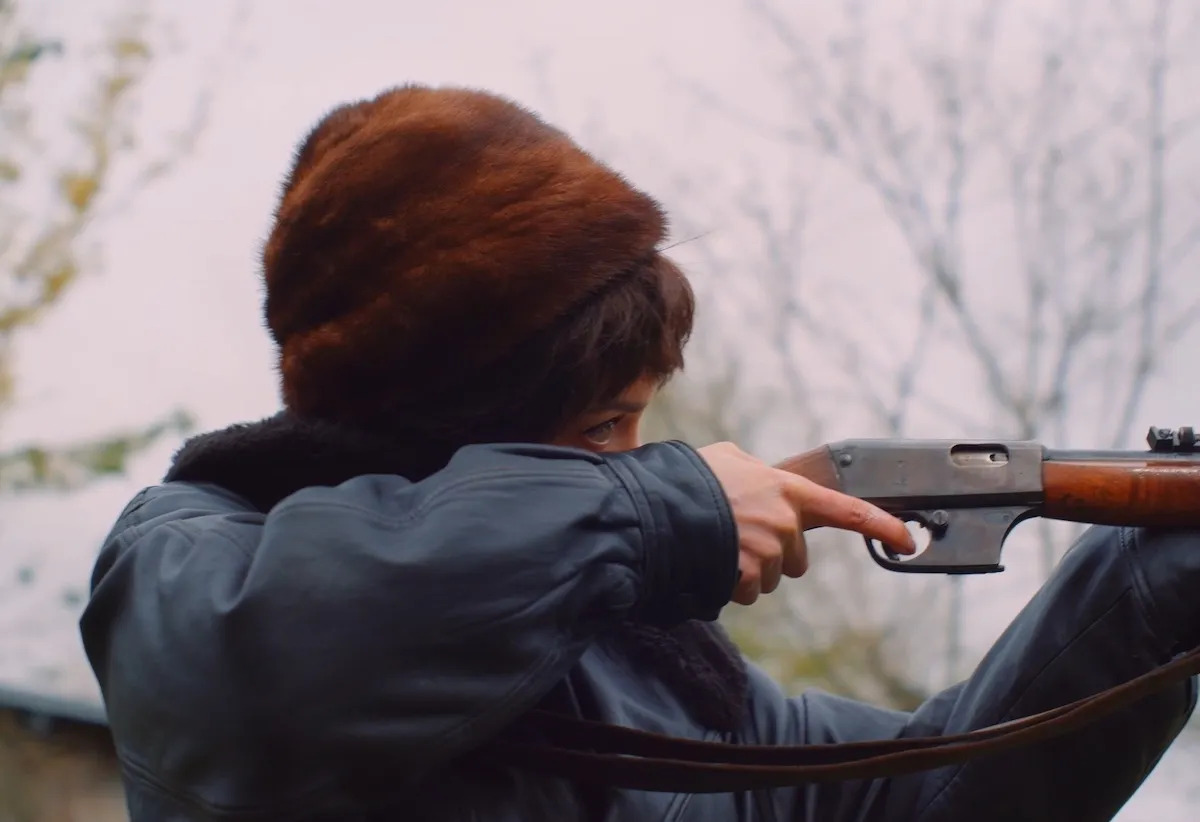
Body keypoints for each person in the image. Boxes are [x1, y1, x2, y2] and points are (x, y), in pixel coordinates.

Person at [79, 85, 1199, 822]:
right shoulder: (190, 561)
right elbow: (261, 683)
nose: (638, 454)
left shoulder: (652, 659)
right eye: (604, 427)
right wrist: (662, 515)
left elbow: (925, 795)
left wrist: (1161, 580)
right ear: (441, 413)